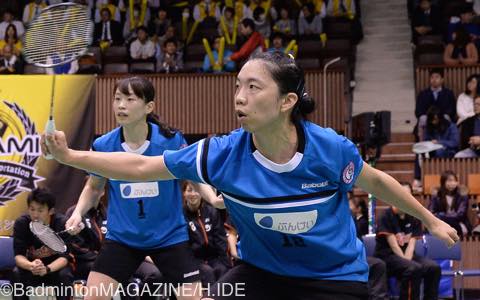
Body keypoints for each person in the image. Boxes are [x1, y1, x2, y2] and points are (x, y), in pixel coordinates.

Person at [43, 51, 459, 300]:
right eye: (238, 85)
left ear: (287, 101)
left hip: (332, 278)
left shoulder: (328, 150)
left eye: (254, 88)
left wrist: (432, 219)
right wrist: (69, 154)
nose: (240, 97)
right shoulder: (222, 154)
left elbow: (378, 182)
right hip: (262, 275)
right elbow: (138, 166)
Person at [62, 77, 221, 300]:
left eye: (129, 99)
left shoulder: (171, 141)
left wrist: (212, 199)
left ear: (149, 107)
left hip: (169, 236)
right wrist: (78, 213)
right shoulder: (104, 145)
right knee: (93, 297)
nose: (120, 105)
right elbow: (95, 186)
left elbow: (192, 177)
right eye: (117, 99)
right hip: (122, 238)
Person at [375, 182, 441, 300]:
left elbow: (411, 244)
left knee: (433, 268)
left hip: (408, 256)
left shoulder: (413, 216)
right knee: (413, 268)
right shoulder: (385, 216)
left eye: (408, 195)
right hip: (387, 257)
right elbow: (394, 246)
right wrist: (407, 263)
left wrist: (408, 262)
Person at [12, 188, 74, 300]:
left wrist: (47, 269)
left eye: (40, 211)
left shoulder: (62, 223)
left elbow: (64, 258)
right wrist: (31, 266)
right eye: (32, 209)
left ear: (51, 211)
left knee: (65, 275)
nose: (35, 214)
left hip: (54, 268)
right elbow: (18, 256)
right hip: (32, 268)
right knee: (16, 273)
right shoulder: (22, 223)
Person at [182, 181, 231, 288]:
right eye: (189, 190)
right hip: (194, 260)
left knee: (223, 270)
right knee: (208, 272)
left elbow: (220, 239)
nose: (193, 194)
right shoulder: (181, 216)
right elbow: (183, 246)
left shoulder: (211, 212)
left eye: (196, 190)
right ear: (184, 194)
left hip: (213, 258)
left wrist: (225, 262)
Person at [415, 68, 456, 142]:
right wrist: (430, 116)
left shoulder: (448, 93)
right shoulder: (423, 93)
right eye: (432, 77)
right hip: (428, 118)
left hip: (443, 117)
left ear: (442, 79)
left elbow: (452, 109)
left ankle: (444, 142)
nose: (434, 79)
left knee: (447, 117)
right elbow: (418, 110)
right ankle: (422, 144)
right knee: (422, 118)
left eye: (437, 77)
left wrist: (439, 116)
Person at [429, 170, 471, 237]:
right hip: (441, 224)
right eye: (449, 181)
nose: (453, 183)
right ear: (443, 182)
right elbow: (431, 213)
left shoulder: (462, 195)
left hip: (458, 223)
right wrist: (442, 218)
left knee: (446, 226)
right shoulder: (437, 195)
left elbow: (460, 215)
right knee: (432, 230)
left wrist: (442, 216)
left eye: (455, 181)